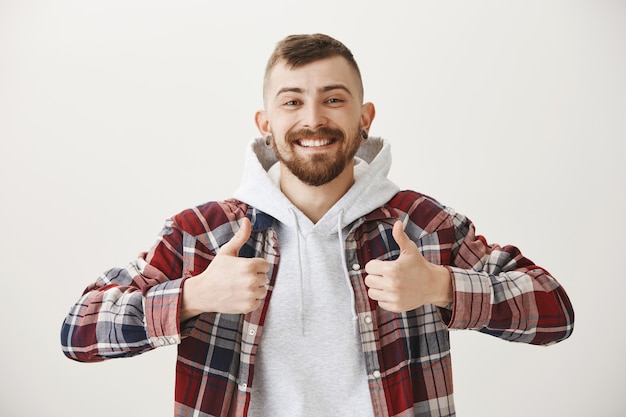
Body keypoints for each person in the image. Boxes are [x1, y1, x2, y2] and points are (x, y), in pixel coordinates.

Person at [61, 33, 574, 417]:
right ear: (265, 124)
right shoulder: (204, 233)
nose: (313, 119)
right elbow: (78, 330)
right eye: (292, 101)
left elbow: (555, 312)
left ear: (364, 116)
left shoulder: (422, 224)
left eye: (333, 98)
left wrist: (441, 285)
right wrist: (193, 296)